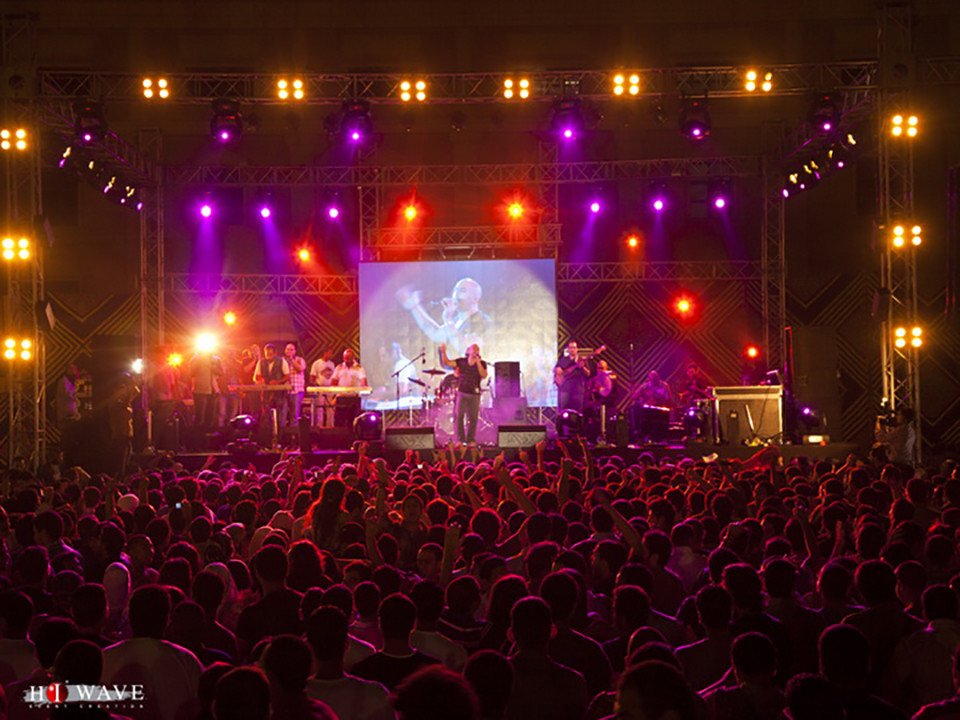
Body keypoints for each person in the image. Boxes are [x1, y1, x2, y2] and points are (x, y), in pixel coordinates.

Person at [397, 277, 490, 358]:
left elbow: (466, 351)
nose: (455, 294)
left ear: (475, 298)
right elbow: (435, 333)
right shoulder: (456, 321)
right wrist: (414, 306)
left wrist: (448, 320)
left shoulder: (481, 321)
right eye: (455, 290)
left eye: (462, 291)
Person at [439, 343, 487, 446]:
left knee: (473, 418)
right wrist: (443, 352)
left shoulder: (482, 363)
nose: (475, 350)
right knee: (459, 416)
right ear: (468, 351)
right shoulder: (461, 361)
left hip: (475, 394)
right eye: (473, 348)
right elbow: (447, 362)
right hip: (462, 393)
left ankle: (471, 439)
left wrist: (478, 362)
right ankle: (460, 440)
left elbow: (484, 375)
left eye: (477, 349)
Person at [253, 343, 290, 430]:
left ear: (275, 353)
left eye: (270, 354)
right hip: (266, 392)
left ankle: (281, 436)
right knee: (266, 415)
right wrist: (260, 380)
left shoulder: (282, 361)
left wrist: (278, 382)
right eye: (266, 354)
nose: (268, 356)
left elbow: (287, 376)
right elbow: (256, 377)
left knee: (281, 416)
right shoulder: (261, 362)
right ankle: (267, 435)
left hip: (280, 393)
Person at [331, 348, 369, 428]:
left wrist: (363, 389)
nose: (346, 360)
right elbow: (333, 382)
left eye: (348, 358)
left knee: (353, 422)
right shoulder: (339, 367)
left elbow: (363, 382)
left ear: (353, 358)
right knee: (339, 422)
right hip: (341, 398)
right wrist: (334, 395)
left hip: (353, 398)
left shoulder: (359, 368)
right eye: (345, 358)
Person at [189, 346, 223, 431]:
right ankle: (198, 437)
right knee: (200, 417)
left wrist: (213, 367)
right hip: (201, 391)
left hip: (213, 390)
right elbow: (191, 373)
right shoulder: (195, 359)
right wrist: (200, 362)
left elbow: (221, 372)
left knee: (211, 417)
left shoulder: (216, 359)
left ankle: (209, 437)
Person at [553, 341, 590, 414]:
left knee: (577, 412)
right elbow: (556, 370)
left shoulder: (581, 360)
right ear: (568, 349)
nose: (572, 349)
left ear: (577, 349)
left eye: (574, 347)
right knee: (563, 412)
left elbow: (588, 373)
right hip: (565, 390)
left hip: (578, 391)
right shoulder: (563, 360)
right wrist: (558, 371)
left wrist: (583, 368)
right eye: (570, 348)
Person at [285, 342, 307, 427]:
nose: (289, 351)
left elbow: (300, 369)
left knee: (294, 414)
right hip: (285, 391)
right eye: (287, 349)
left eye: (291, 349)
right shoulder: (282, 360)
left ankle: (294, 434)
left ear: (295, 351)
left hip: (297, 391)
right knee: (284, 414)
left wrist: (291, 359)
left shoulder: (300, 360)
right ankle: (284, 434)